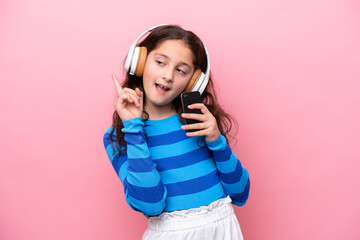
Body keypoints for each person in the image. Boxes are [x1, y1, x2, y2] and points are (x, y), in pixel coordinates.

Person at [103, 24, 250, 240]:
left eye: (181, 70)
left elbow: (240, 193)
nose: (168, 76)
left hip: (223, 229)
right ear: (140, 63)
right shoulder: (119, 136)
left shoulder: (198, 121)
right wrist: (134, 129)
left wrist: (217, 141)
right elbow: (151, 204)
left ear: (193, 81)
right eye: (160, 62)